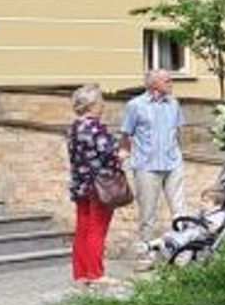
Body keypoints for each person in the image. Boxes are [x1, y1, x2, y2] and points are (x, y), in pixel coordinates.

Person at [119, 68, 187, 251]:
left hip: (173, 163)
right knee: (147, 214)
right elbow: (125, 135)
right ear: (153, 84)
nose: (171, 83)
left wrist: (181, 156)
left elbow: (178, 132)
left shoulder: (174, 103)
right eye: (167, 80)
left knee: (180, 211)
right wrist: (124, 158)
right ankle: (145, 252)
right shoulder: (135, 105)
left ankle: (183, 250)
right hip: (146, 167)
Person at [66, 83, 122, 282]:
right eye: (100, 100)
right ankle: (95, 274)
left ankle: (81, 274)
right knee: (96, 229)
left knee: (82, 229)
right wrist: (122, 154)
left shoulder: (74, 127)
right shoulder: (96, 127)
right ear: (92, 104)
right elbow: (110, 154)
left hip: (80, 184)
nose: (103, 104)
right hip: (100, 186)